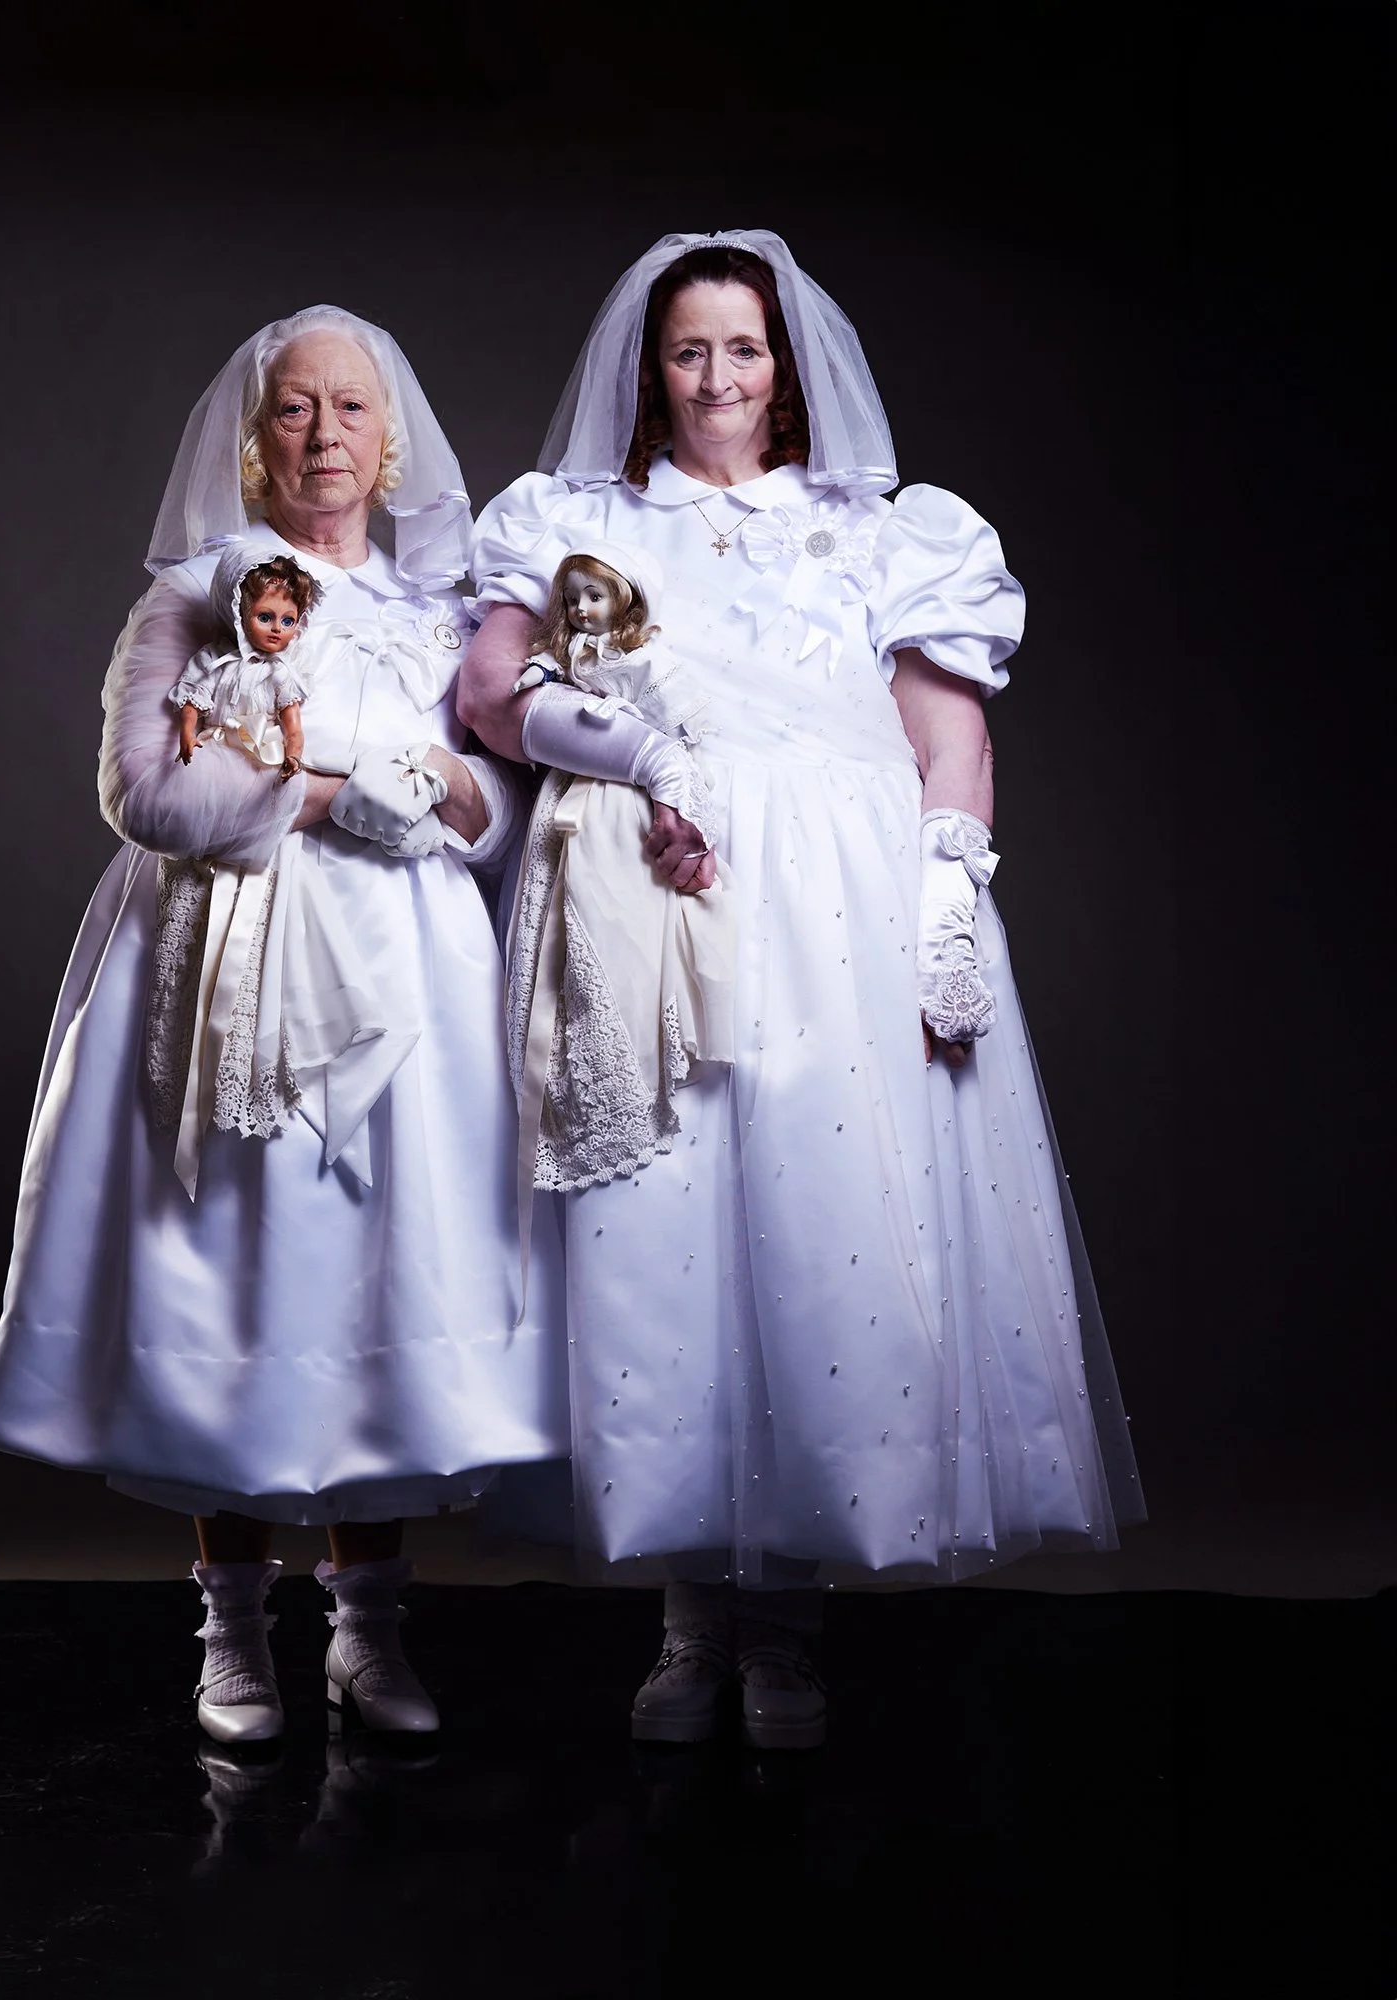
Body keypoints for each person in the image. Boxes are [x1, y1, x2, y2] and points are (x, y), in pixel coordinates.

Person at [461, 231, 1143, 1752]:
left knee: (820, 1240)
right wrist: (637, 754)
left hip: (835, 900)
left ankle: (786, 1630)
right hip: (657, 880)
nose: (717, 377)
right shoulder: (577, 519)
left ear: (788, 368)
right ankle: (691, 1622)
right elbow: (492, 694)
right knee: (664, 1233)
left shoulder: (874, 530)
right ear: (653, 369)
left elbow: (946, 732)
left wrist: (951, 887)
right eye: (690, 350)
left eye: (744, 349)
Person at [0, 305, 566, 1745]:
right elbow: (143, 798)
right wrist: (313, 795)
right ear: (254, 440)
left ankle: (369, 1632)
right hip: (222, 964)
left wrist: (430, 797)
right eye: (295, 412)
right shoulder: (192, 599)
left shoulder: (443, 617)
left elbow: (493, 818)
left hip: (404, 977)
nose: (323, 439)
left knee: (381, 1272)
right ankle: (231, 1634)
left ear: (391, 439)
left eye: (350, 412)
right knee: (233, 1266)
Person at [504, 539, 736, 1224]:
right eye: (572, 597)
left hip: (623, 803)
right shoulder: (574, 652)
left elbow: (689, 728)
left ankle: (632, 1079)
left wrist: (682, 787)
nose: (581, 608)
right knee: (554, 949)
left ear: (627, 601)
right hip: (573, 791)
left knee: (628, 942)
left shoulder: (643, 662)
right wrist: (536, 684)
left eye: (594, 596)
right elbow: (538, 682)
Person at [172, 549, 318, 777]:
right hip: (214, 749)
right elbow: (192, 702)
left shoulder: (282, 670)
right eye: (265, 617)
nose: (277, 628)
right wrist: (187, 733)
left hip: (263, 756)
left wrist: (294, 756)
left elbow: (293, 729)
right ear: (239, 614)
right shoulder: (216, 659)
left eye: (288, 620)